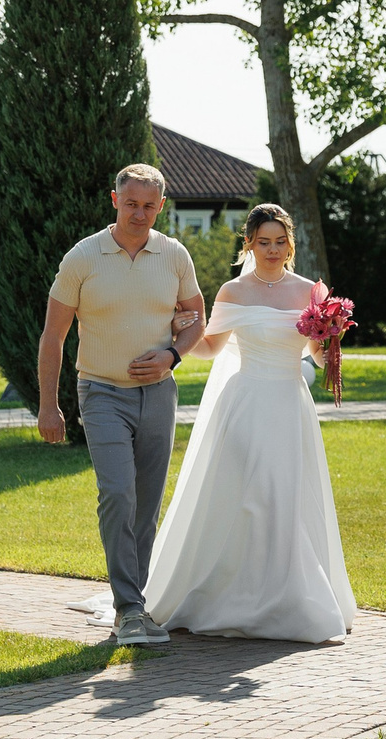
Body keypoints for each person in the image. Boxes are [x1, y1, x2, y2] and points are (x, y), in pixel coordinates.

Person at [143, 203, 357, 643]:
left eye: (280, 242)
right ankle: (234, 594)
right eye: (264, 242)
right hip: (243, 405)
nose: (273, 250)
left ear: (290, 243)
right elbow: (209, 349)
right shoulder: (233, 291)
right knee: (250, 495)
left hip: (289, 404)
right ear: (249, 244)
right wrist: (179, 331)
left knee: (285, 495)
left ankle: (285, 597)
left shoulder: (311, 292)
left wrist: (330, 335)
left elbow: (319, 360)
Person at [36, 164, 204, 646]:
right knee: (118, 493)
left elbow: (196, 317)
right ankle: (129, 609)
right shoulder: (83, 258)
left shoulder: (174, 255)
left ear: (161, 207)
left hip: (159, 396)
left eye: (149, 206)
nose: (140, 213)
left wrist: (173, 355)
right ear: (115, 200)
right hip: (102, 392)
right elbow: (54, 336)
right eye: (131, 203)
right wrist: (49, 406)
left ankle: (134, 601)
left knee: (146, 504)